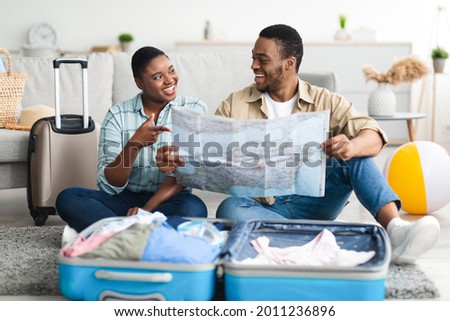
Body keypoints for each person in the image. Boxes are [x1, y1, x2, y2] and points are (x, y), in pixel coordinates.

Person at [156, 24, 440, 264]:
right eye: (253, 58)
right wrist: (182, 160)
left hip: (314, 201)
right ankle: (311, 236)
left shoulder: (325, 100)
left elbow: (374, 135)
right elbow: (207, 153)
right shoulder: (236, 102)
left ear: (288, 63)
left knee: (358, 157)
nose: (254, 66)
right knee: (229, 209)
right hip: (263, 206)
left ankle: (396, 229)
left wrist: (351, 147)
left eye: (262, 59)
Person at [56, 46, 208, 233]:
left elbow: (183, 175)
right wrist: (134, 145)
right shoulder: (117, 115)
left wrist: (145, 212)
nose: (170, 80)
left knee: (194, 208)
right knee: (68, 198)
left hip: (168, 201)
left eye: (171, 70)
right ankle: (145, 234)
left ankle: (115, 233)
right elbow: (109, 185)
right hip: (124, 201)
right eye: (158, 77)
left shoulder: (193, 109)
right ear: (139, 83)